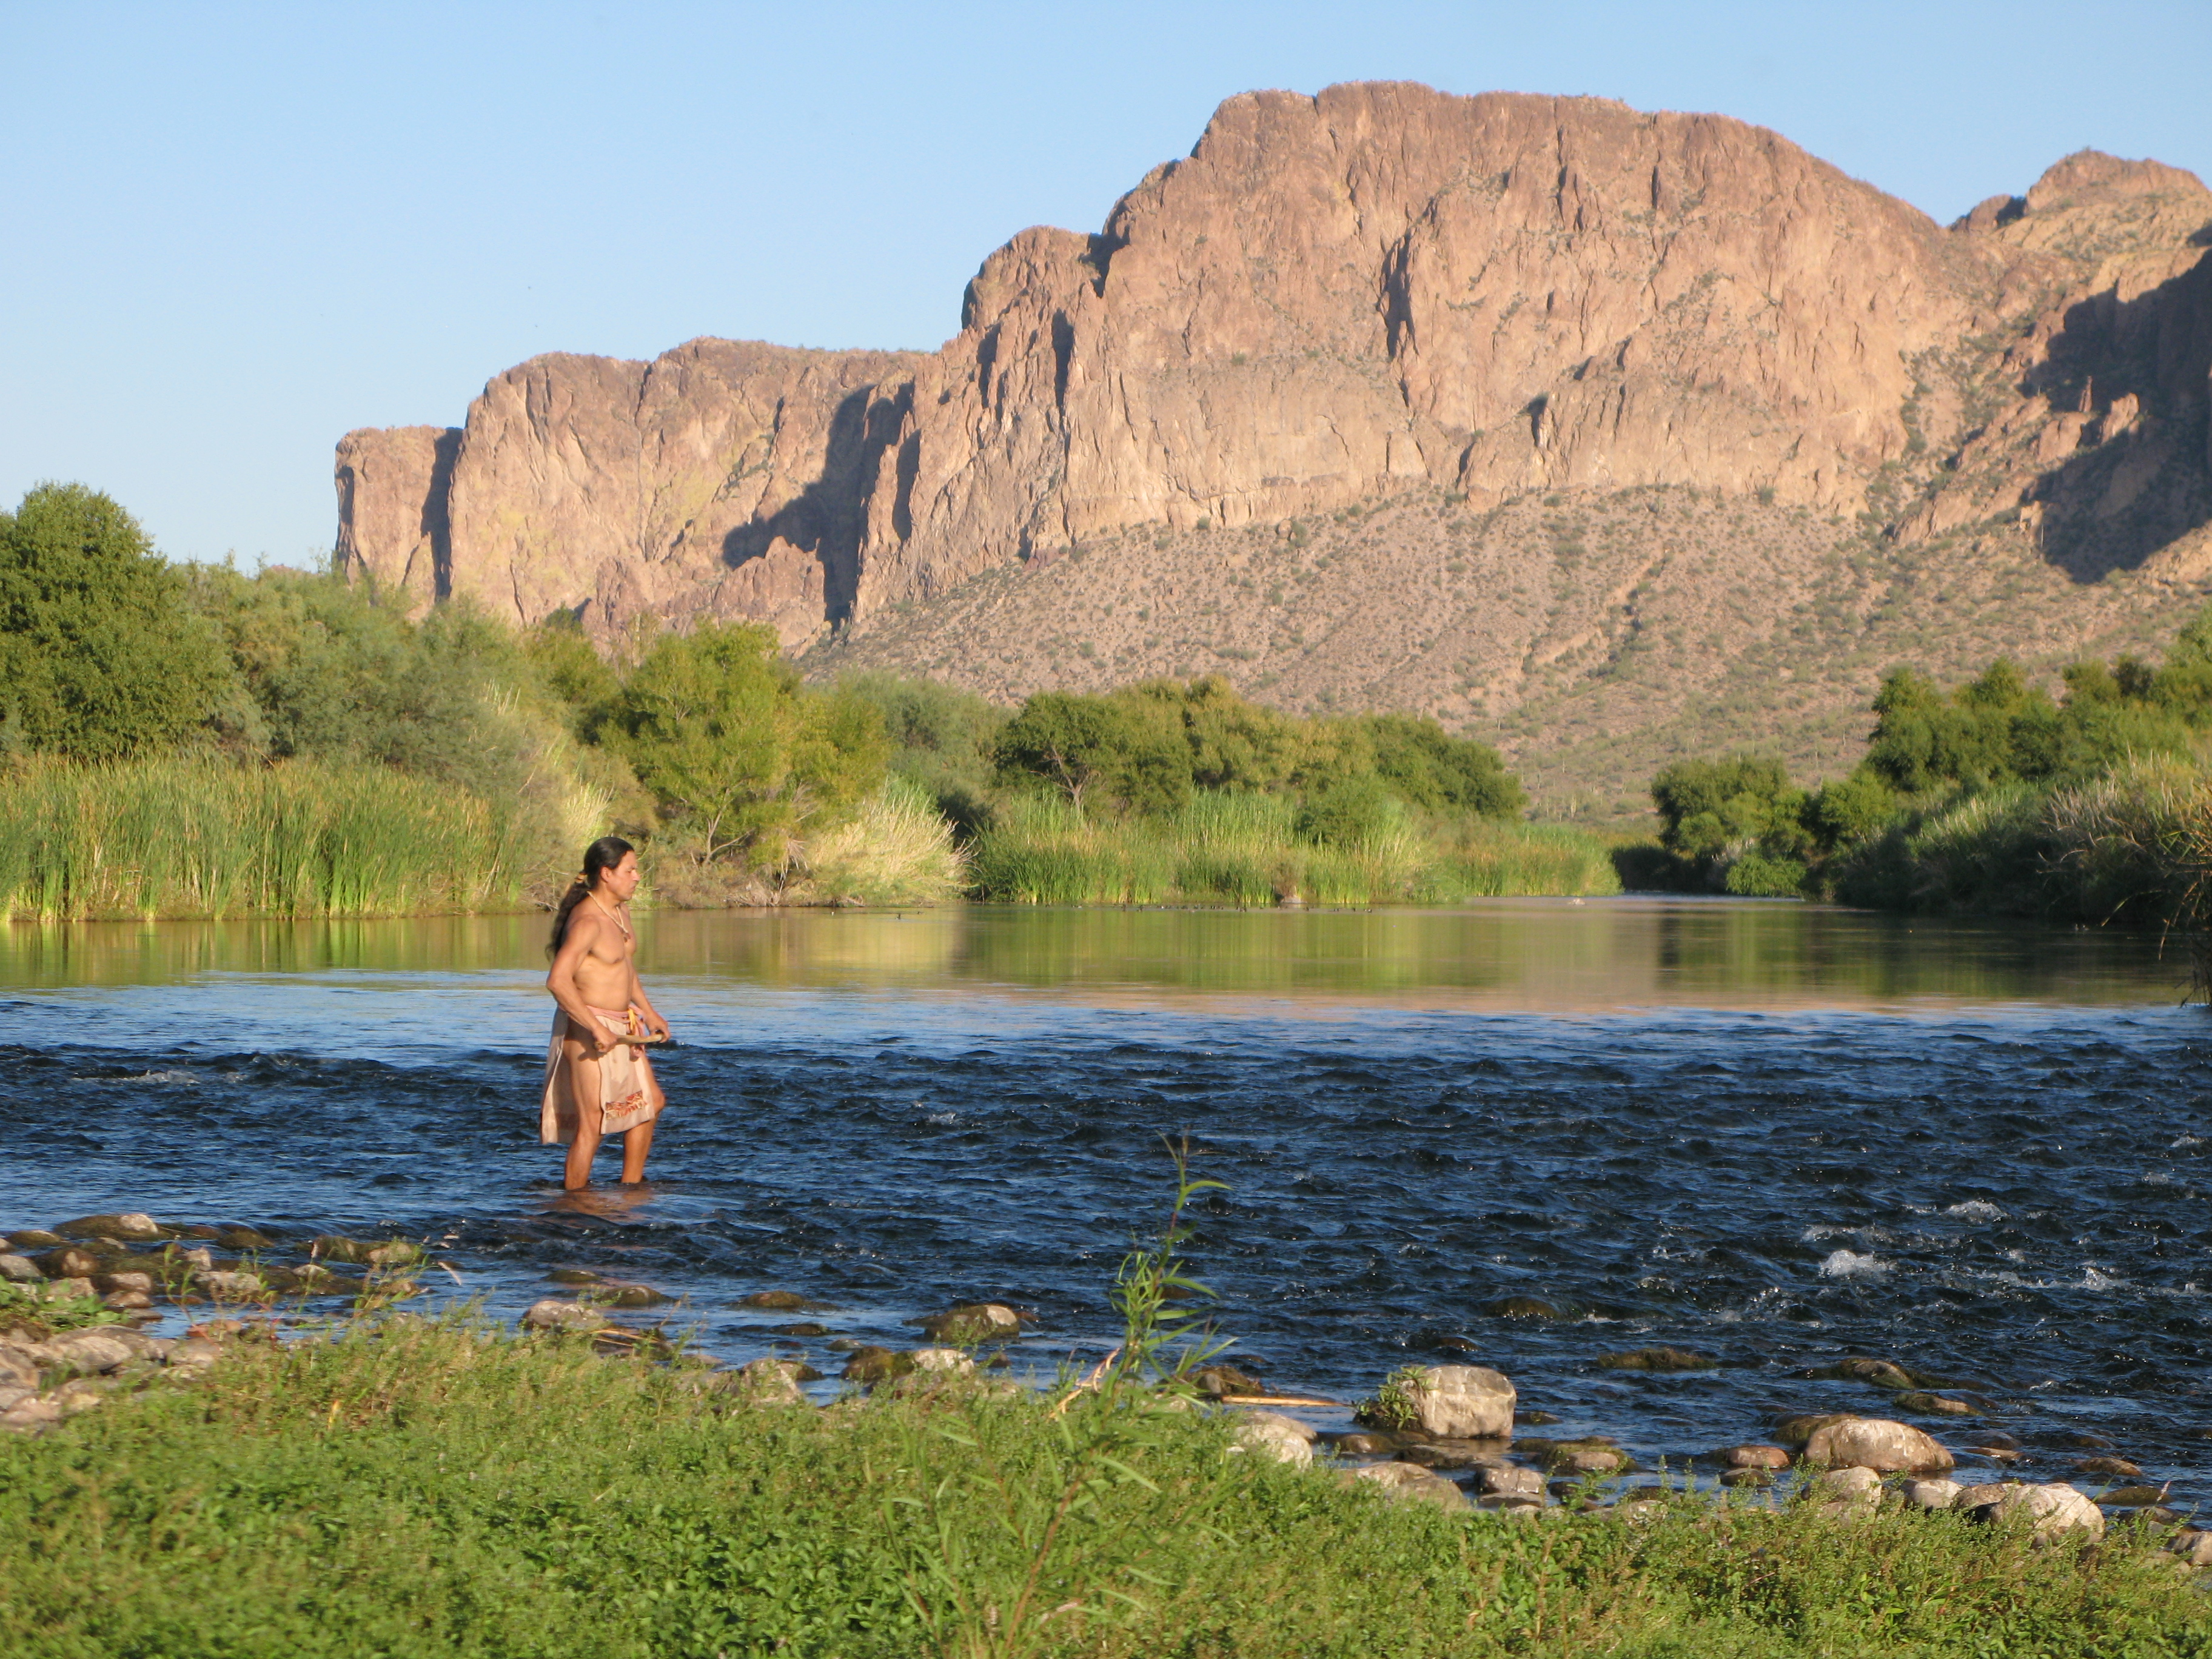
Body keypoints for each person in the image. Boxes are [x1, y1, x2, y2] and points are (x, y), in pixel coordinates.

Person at [541, 837, 671, 1190]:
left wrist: (648, 1011)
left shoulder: (619, 912)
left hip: (623, 1026)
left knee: (651, 1104)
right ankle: (572, 1203)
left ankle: (631, 1191)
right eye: (630, 870)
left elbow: (624, 970)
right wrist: (596, 1027)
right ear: (606, 874)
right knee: (592, 1122)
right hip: (585, 1028)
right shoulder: (588, 921)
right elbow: (557, 980)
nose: (637, 877)